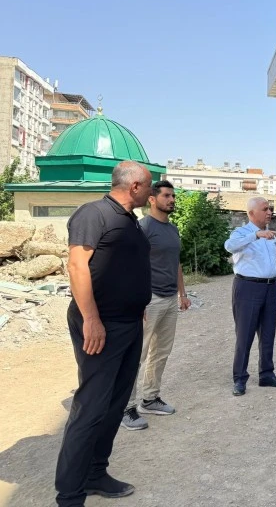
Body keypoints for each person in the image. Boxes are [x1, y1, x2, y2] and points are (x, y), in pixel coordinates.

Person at [55, 161, 153, 506]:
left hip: (129, 324)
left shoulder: (130, 221)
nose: (151, 193)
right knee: (92, 406)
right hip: (101, 326)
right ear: (135, 186)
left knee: (114, 405)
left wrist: (137, 302)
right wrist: (91, 318)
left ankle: (96, 473)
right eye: (149, 186)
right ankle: (69, 494)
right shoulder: (93, 213)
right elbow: (76, 265)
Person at [121, 180, 190, 431]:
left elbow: (176, 262)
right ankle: (125, 407)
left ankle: (150, 399)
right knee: (137, 355)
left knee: (161, 352)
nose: (172, 200)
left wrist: (182, 293)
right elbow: (130, 265)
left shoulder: (172, 229)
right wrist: (137, 298)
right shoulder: (143, 227)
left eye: (173, 196)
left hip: (170, 299)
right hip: (149, 299)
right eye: (166, 196)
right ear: (152, 199)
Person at [224, 197, 276, 396]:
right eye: (265, 209)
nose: (269, 212)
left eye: (270, 209)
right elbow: (229, 246)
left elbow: (271, 264)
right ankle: (239, 378)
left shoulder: (271, 236)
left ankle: (266, 374)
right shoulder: (241, 233)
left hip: (270, 287)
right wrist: (255, 235)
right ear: (251, 213)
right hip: (248, 287)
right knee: (245, 335)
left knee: (268, 333)